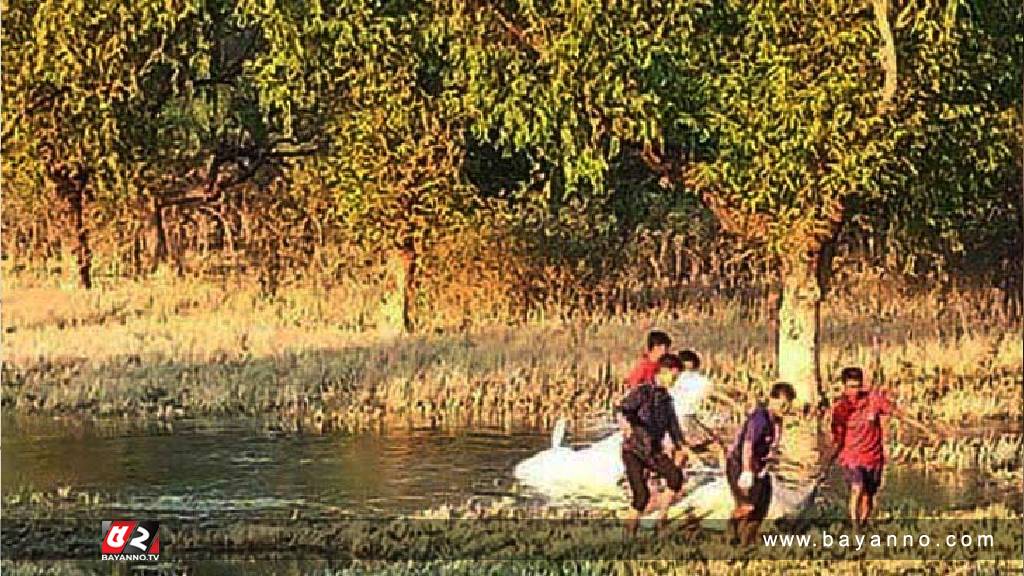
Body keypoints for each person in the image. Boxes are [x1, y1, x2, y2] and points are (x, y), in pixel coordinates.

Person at [827, 366, 936, 529]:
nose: (854, 391)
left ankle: (863, 524)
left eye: (857, 386)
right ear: (843, 387)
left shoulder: (874, 400)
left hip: (873, 458)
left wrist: (925, 429)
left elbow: (900, 415)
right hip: (852, 457)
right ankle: (855, 529)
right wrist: (829, 458)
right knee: (857, 488)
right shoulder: (840, 409)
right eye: (850, 387)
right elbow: (837, 437)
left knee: (868, 496)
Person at [616, 369, 686, 535]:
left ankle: (661, 519)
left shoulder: (667, 401)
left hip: (653, 451)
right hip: (634, 450)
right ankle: (629, 534)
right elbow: (622, 409)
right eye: (673, 377)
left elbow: (674, 428)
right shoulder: (643, 392)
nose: (674, 381)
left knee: (675, 477)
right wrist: (625, 424)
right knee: (641, 495)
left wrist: (682, 446)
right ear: (663, 372)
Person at [725, 381, 796, 545]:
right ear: (772, 399)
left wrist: (772, 459)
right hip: (741, 464)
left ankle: (746, 542)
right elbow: (748, 446)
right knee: (748, 505)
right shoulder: (759, 418)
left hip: (760, 467)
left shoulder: (777, 421)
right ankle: (732, 524)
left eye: (788, 405)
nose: (785, 408)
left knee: (762, 506)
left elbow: (773, 445)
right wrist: (746, 470)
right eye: (782, 404)